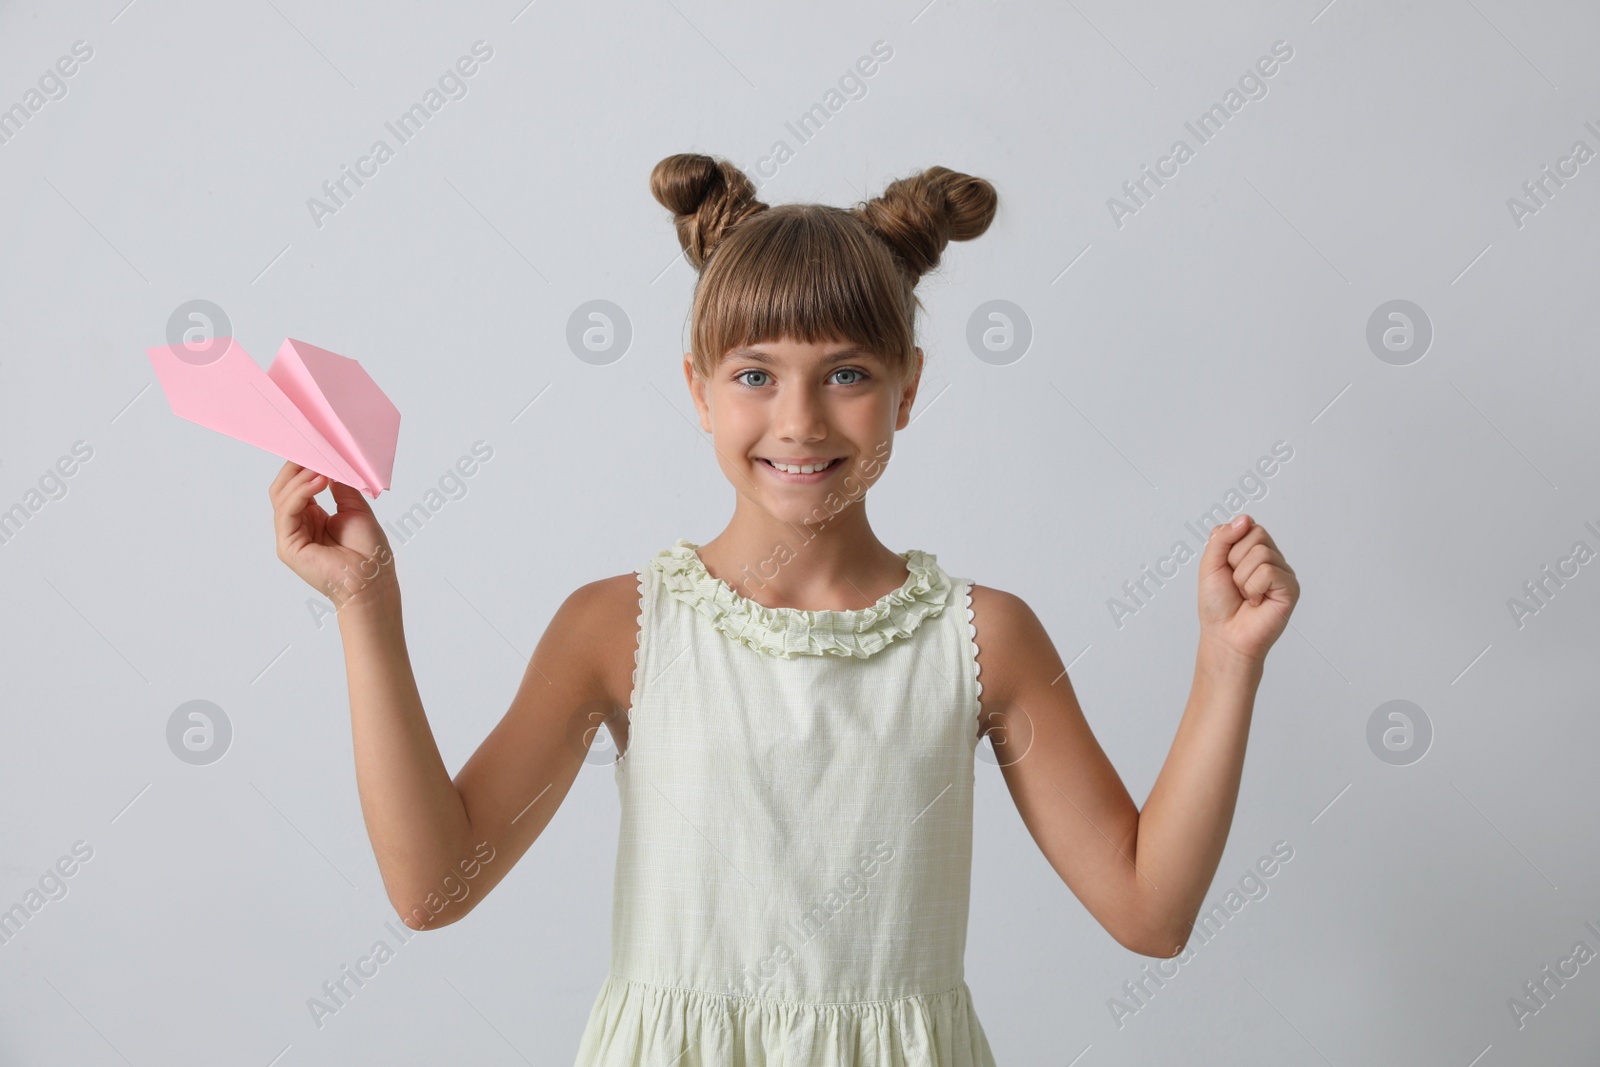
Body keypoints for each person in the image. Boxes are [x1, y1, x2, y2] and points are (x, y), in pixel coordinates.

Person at [269, 151, 1300, 1065]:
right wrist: (366, 603)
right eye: (755, 374)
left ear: (907, 388)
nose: (798, 421)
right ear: (699, 389)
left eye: (846, 373)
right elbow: (434, 888)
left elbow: (1148, 912)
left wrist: (1225, 662)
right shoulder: (616, 626)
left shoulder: (982, 637)